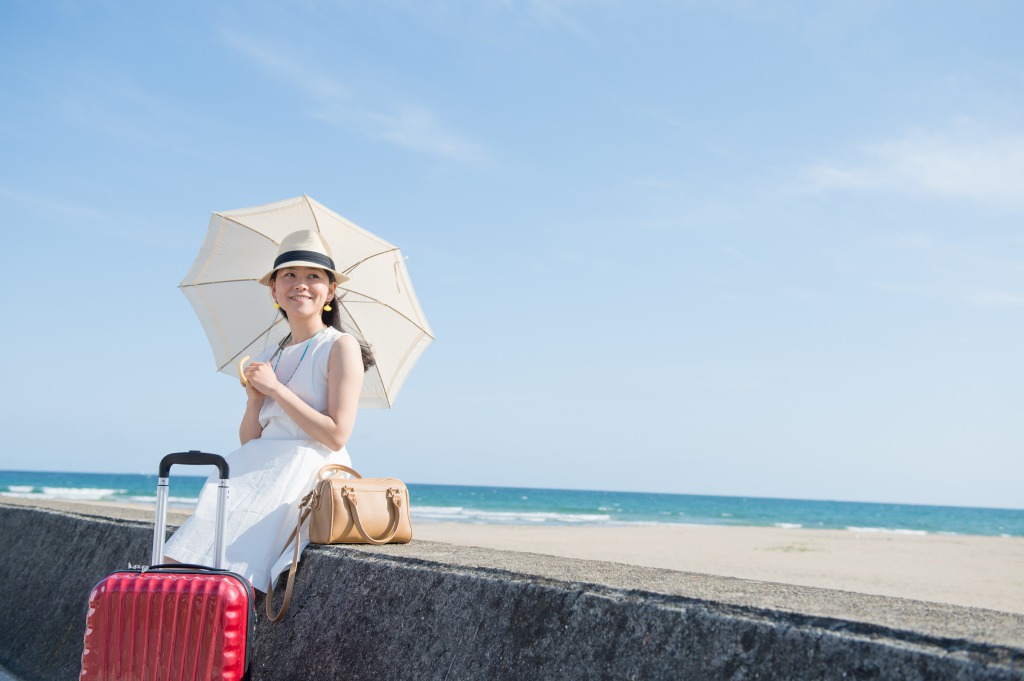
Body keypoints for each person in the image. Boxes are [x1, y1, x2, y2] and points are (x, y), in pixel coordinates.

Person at [165, 230, 374, 591]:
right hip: (259, 463)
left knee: (227, 570)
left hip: (308, 464)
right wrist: (255, 401)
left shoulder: (340, 346)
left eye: (313, 276)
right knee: (180, 558)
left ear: (330, 291)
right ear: (274, 290)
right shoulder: (269, 354)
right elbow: (250, 440)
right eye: (289, 275)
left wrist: (277, 388)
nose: (300, 285)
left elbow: (337, 433)